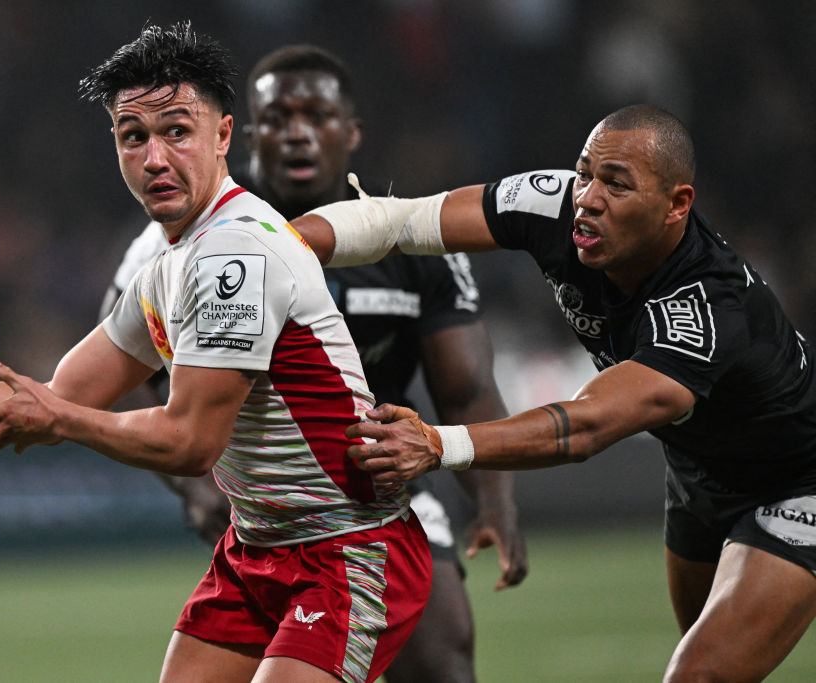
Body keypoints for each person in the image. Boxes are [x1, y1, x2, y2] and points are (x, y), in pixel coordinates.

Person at [0, 23, 433, 683]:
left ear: (223, 136)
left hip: (349, 545)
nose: (154, 158)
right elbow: (58, 394)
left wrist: (61, 420)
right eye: (133, 136)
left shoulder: (235, 254)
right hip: (257, 547)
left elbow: (190, 443)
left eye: (177, 131)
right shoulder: (167, 266)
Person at [291, 103, 816, 682]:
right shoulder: (557, 205)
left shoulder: (705, 310)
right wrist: (279, 246)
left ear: (677, 204)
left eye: (617, 184)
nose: (588, 197)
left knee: (698, 677)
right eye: (585, 172)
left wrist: (438, 444)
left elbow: (585, 425)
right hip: (698, 474)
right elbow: (400, 223)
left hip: (796, 480)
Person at [98, 45, 528, 683]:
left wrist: (496, 502)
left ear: (351, 132)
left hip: (380, 492)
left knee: (442, 655)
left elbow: (465, 388)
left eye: (317, 116)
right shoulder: (183, 236)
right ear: (245, 137)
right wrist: (196, 489)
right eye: (278, 118)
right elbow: (119, 372)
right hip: (260, 501)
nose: (297, 133)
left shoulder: (403, 238)